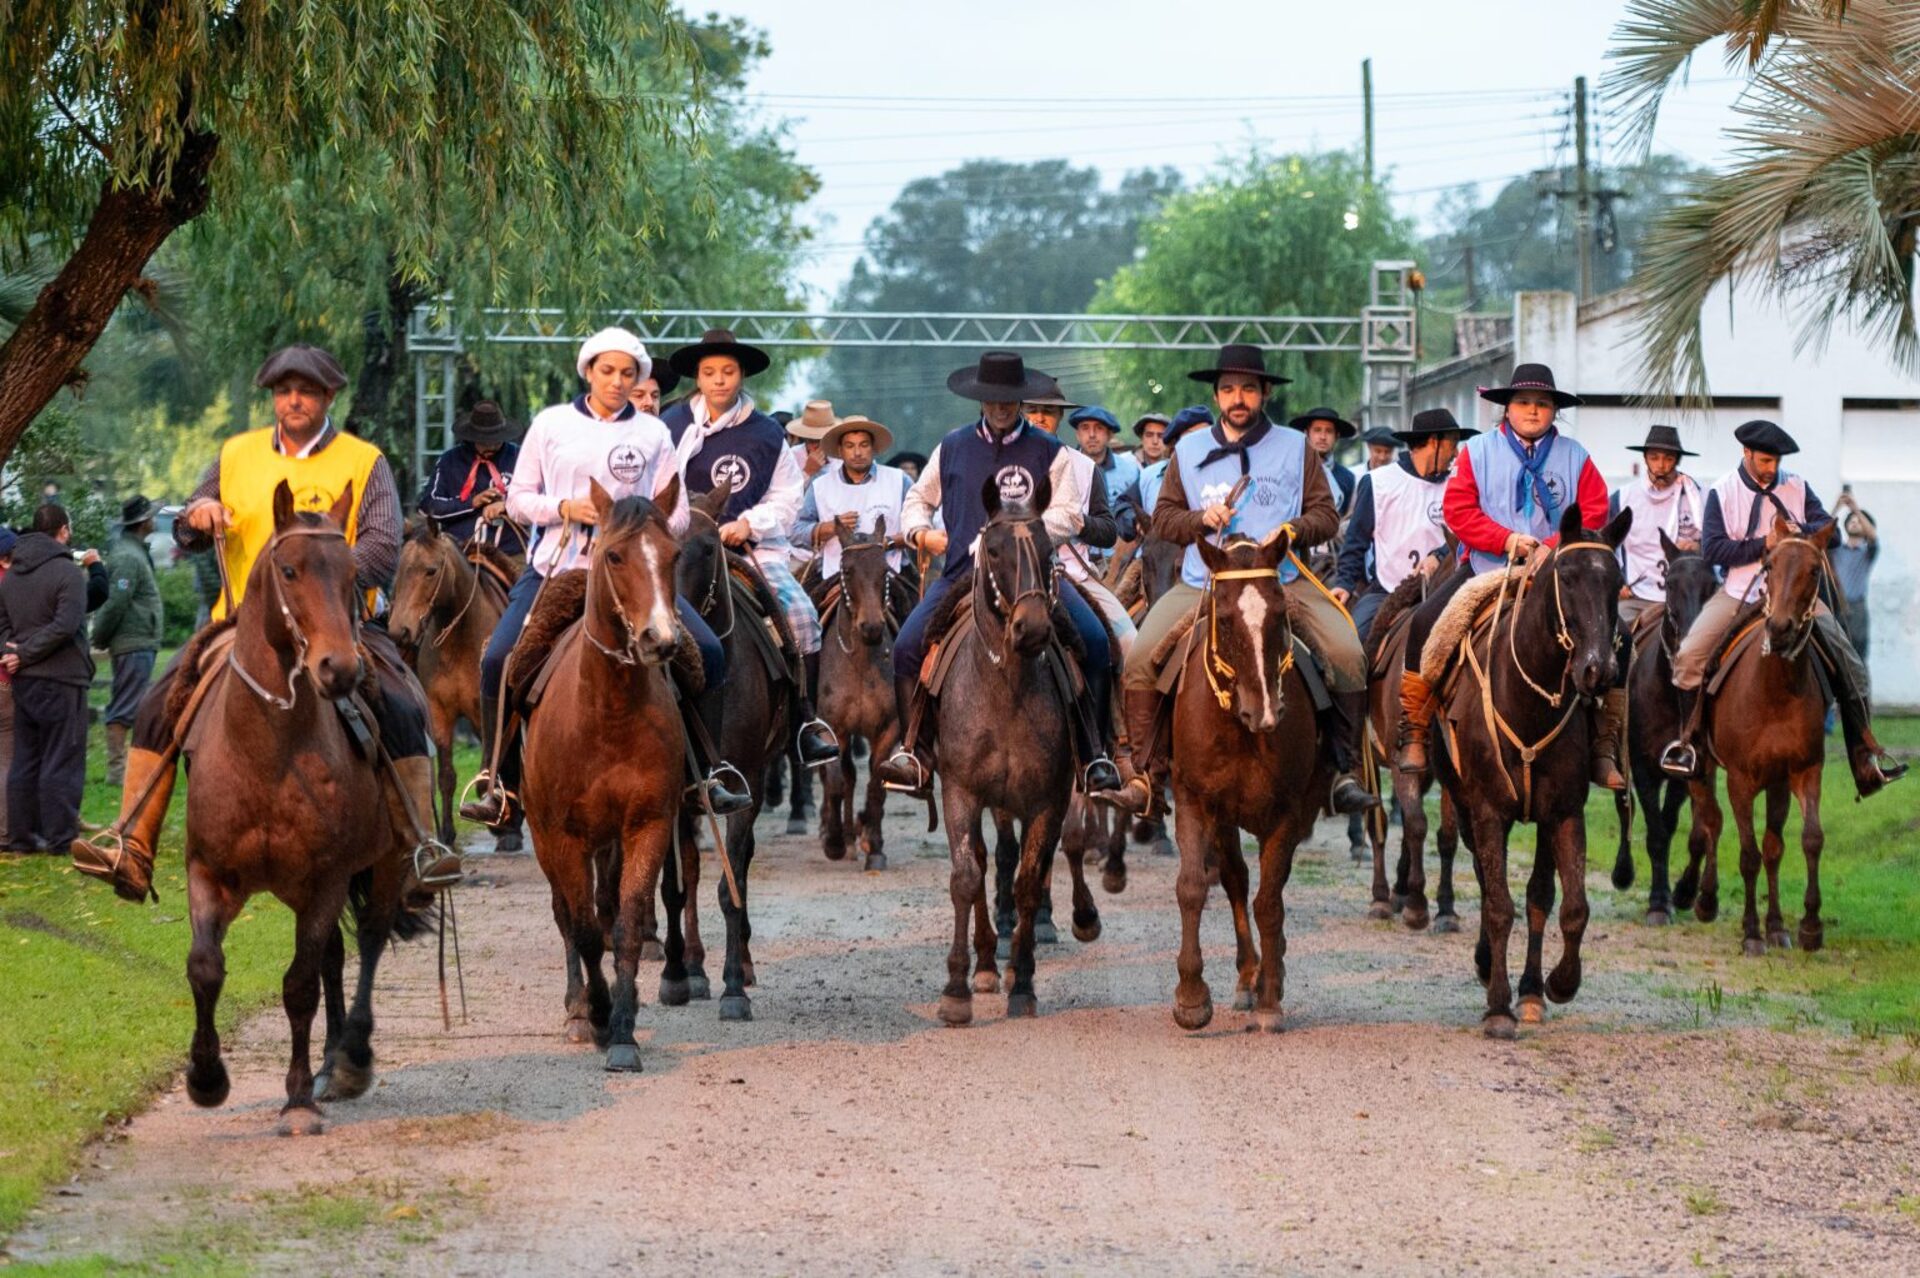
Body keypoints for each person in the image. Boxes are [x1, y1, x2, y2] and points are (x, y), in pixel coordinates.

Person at [72, 343, 460, 902]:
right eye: (284, 391)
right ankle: (131, 847)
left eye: (305, 391)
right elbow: (187, 527)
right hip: (239, 627)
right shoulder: (235, 455)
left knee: (400, 704)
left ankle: (417, 848)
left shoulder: (363, 460)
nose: (293, 401)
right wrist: (196, 516)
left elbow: (378, 546)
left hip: (339, 623)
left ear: (329, 397)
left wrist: (323, 569)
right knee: (158, 704)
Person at [460, 328, 753, 827]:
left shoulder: (653, 434)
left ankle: (706, 774)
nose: (618, 381)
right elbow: (518, 497)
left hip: (633, 577)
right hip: (561, 567)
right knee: (498, 658)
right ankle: (500, 783)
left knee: (707, 651)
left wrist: (643, 523)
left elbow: (678, 512)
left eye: (627, 373)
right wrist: (564, 506)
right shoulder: (551, 424)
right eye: (607, 371)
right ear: (588, 372)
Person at [1110, 345, 1376, 818]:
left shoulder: (1297, 447)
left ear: (1265, 393)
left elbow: (1326, 516)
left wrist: (1293, 529)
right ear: (1216, 395)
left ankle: (1344, 770)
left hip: (1281, 580)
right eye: (1229, 389)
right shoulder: (1188, 450)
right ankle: (1146, 776)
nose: (1239, 398)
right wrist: (1198, 519)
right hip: (1205, 582)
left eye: (1248, 389)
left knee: (1347, 653)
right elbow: (1164, 518)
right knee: (1139, 657)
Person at [876, 350, 1121, 799]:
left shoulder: (1052, 450)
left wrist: (1018, 536)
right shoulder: (952, 446)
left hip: (1033, 576)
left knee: (1097, 643)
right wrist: (919, 532)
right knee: (908, 646)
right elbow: (918, 499)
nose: (1002, 406)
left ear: (1022, 401)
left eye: (1011, 399)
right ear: (980, 400)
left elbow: (1068, 509)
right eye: (994, 398)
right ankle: (914, 751)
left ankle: (1093, 755)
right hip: (962, 576)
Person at [1393, 363, 1621, 790]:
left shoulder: (1576, 456)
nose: (1533, 411)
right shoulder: (1476, 452)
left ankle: (1604, 743)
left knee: (1616, 634)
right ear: (1507, 409)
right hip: (1488, 568)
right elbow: (1459, 510)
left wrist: (1552, 549)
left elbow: (1594, 510)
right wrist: (1508, 541)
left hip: (1557, 578)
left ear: (1554, 411)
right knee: (1426, 622)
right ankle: (1415, 729)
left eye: (1542, 404)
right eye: (1524, 403)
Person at [1661, 421, 1904, 795]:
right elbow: (1713, 550)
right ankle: (1691, 744)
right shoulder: (1723, 491)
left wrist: (1798, 537)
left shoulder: (1797, 486)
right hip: (1740, 591)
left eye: (1775, 461)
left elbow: (1833, 534)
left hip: (1795, 597)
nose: (1772, 468)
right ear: (1747, 454)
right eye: (1765, 460)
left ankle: (1864, 759)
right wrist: (1765, 543)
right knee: (1690, 656)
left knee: (1852, 666)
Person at [659, 328, 838, 766]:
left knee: (801, 618)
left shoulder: (765, 434)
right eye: (709, 373)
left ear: (741, 377)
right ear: (697, 379)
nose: (719, 380)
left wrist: (747, 522)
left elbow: (788, 497)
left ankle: (804, 721)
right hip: (675, 548)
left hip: (746, 551)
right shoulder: (670, 424)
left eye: (727, 371)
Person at [0, 506, 98, 853]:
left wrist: (13, 651)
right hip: (62, 677)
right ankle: (60, 838)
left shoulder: (12, 574)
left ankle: (22, 836)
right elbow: (66, 625)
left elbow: (3, 624)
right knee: (62, 758)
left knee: (26, 759)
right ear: (63, 531)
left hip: (24, 680)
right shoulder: (66, 572)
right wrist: (24, 652)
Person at [1332, 408, 1473, 643]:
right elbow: (1356, 541)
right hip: (1387, 589)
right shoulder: (1377, 482)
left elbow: (1466, 533)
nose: (1456, 452)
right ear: (1433, 442)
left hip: (1446, 590)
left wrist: (1438, 555)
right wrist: (1344, 583)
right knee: (1350, 646)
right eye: (1453, 443)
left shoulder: (1459, 484)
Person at [92, 495, 165, 787]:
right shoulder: (127, 557)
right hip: (133, 642)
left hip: (140, 640)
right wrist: (99, 636)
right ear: (143, 522)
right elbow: (115, 602)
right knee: (124, 706)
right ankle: (116, 772)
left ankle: (127, 768)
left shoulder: (133, 552)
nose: (155, 519)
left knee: (132, 704)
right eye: (151, 515)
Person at [795, 415, 911, 582]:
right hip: (835, 575)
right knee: (799, 607)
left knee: (926, 605)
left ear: (874, 448)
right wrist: (830, 528)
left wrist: (888, 542)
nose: (857, 453)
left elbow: (919, 526)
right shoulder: (820, 485)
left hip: (890, 572)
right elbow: (796, 532)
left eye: (864, 445)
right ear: (840, 451)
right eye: (850, 446)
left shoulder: (900, 480)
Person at [1610, 424, 1703, 629]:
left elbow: (1715, 541)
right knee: (1613, 640)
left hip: (1686, 596)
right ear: (1645, 459)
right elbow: (1608, 545)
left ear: (1677, 460)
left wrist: (1698, 546)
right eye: (1654, 457)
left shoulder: (1697, 497)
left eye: (1668, 458)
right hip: (1637, 595)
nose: (1661, 465)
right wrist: (1617, 583)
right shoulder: (1623, 498)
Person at [416, 401, 527, 555]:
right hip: (459, 555)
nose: (491, 447)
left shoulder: (520, 458)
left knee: (531, 576)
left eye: (496, 441)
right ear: (472, 437)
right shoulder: (449, 461)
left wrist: (508, 505)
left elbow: (540, 497)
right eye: (484, 442)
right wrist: (471, 502)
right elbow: (428, 506)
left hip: (511, 553)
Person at [1071, 405, 1144, 545]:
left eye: (1099, 428)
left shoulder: (1131, 470)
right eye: (1085, 428)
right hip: (1075, 558)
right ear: (1077, 434)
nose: (1092, 434)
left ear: (1110, 434)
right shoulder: (1063, 467)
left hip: (1121, 556)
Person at [1828, 487, 1877, 661]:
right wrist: (1837, 507)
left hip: (1856, 609)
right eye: (1852, 520)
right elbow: (1822, 534)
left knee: (1857, 657)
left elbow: (1873, 536)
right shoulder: (1835, 550)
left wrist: (1855, 508)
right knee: (1832, 655)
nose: (1855, 522)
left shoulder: (1867, 552)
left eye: (1859, 521)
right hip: (1834, 608)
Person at [1137, 405, 1211, 517]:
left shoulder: (1224, 469)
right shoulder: (1151, 474)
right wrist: (1134, 520)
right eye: (1191, 436)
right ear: (1176, 443)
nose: (1198, 441)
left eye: (1204, 435)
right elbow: (1124, 504)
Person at [1291, 407, 1360, 517]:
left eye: (1329, 431)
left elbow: (1350, 518)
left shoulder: (1348, 478)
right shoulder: (1293, 471)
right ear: (1306, 433)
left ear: (1336, 436)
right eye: (1317, 430)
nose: (1323, 437)